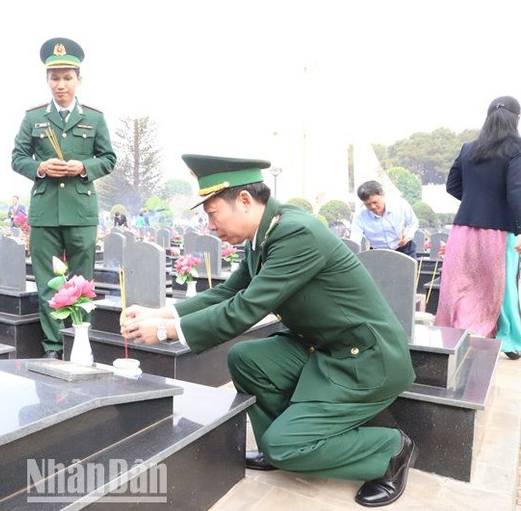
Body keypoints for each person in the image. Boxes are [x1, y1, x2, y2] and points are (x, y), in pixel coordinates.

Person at [121, 154, 417, 507]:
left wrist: (168, 332)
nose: (210, 226)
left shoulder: (296, 233)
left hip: (366, 360)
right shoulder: (265, 234)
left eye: (213, 214)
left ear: (244, 201)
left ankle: (389, 449)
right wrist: (160, 312)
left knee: (286, 444)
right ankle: (281, 446)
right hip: (324, 348)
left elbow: (246, 308)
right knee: (247, 358)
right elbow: (228, 292)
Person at [12, 37, 116, 359]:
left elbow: (108, 158)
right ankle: (53, 349)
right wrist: (40, 167)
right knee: (48, 285)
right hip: (44, 212)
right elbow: (17, 158)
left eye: (67, 77)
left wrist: (83, 166)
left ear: (78, 79)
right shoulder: (33, 118)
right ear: (47, 80)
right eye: (54, 78)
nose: (61, 85)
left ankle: (80, 347)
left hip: (81, 212)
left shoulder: (95, 119)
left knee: (81, 283)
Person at [435, 96, 521, 360]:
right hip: (500, 229)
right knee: (502, 285)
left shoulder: (468, 148)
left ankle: (456, 331)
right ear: (515, 119)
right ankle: (511, 342)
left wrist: (475, 200)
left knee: (460, 283)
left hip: (463, 228)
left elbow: (452, 185)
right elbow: (516, 190)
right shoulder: (516, 148)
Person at [350, 181, 419, 258]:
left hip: (404, 248)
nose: (372, 206)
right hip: (378, 252)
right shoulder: (360, 215)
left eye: (375, 202)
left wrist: (407, 236)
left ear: (383, 195)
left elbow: (413, 222)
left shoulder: (400, 204)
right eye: (368, 204)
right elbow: (355, 239)